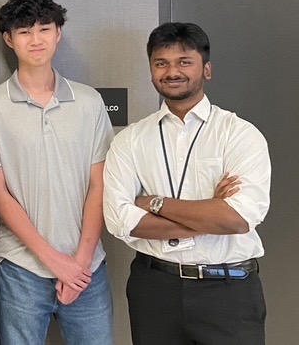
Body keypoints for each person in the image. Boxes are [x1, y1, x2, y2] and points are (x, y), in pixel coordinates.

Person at [103, 22, 271, 344]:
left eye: (184, 62)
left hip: (228, 290)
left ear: (206, 69)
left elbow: (237, 219)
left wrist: (154, 203)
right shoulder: (130, 140)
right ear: (151, 70)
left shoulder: (239, 135)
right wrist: (210, 215)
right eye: (161, 63)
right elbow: (119, 220)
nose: (172, 71)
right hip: (155, 289)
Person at [0, 0, 114, 344]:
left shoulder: (89, 101)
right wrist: (53, 260)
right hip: (20, 266)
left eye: (44, 29)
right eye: (24, 32)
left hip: (88, 268)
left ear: (58, 34)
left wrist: (79, 262)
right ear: (9, 39)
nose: (35, 40)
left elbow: (99, 184)